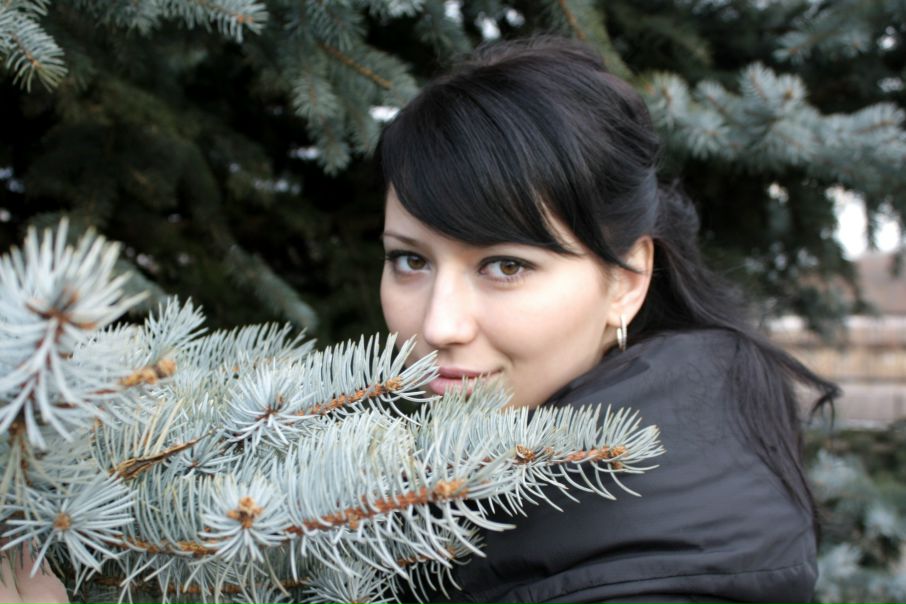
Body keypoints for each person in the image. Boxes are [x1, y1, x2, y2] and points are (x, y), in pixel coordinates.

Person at [377, 35, 838, 603]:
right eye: (410, 260)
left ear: (626, 280)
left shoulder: (656, 573)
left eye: (505, 266)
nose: (439, 326)